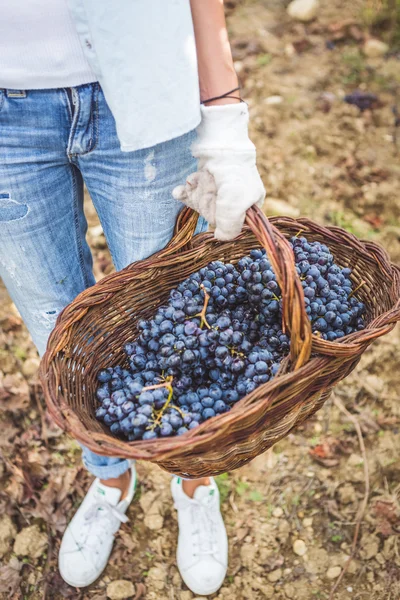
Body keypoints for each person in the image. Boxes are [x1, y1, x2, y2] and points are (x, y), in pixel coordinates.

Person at [0, 0, 265, 594]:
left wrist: (224, 113)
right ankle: (110, 479)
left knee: (176, 326)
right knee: (60, 336)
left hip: (139, 87)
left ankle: (193, 481)